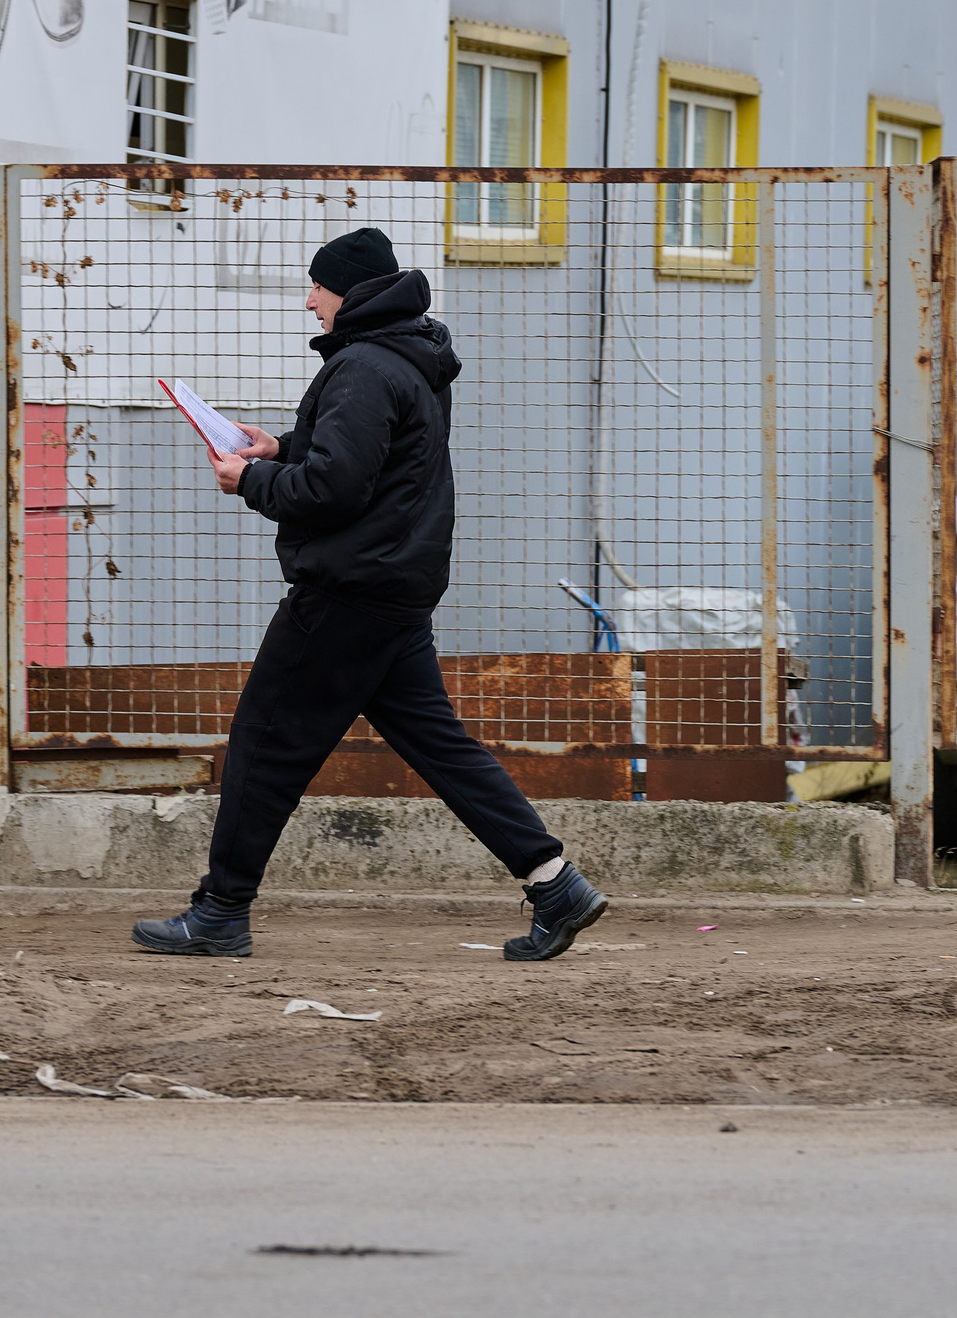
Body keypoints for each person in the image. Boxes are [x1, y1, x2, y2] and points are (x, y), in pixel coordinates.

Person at [131, 227, 609, 962]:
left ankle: (221, 911)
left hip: (347, 591)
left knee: (264, 742)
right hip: (394, 586)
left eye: (318, 286)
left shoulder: (360, 365)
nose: (310, 300)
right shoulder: (406, 355)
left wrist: (248, 480)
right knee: (438, 745)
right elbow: (373, 455)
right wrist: (281, 447)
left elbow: (334, 487)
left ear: (348, 291)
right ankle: (555, 882)